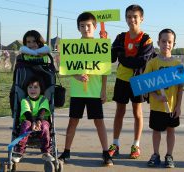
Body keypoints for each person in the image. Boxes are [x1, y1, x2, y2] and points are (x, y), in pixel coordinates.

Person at [58, 12, 113, 166]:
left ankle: (105, 153)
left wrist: (103, 90)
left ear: (95, 27)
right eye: (82, 26)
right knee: (73, 121)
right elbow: (67, 68)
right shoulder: (73, 47)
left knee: (99, 122)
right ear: (78, 28)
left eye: (88, 25)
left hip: (94, 92)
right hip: (77, 92)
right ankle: (66, 151)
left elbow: (104, 71)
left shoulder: (101, 45)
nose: (85, 28)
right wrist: (76, 76)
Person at [108, 4, 156, 159]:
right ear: (125, 18)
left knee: (137, 112)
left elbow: (141, 61)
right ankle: (115, 143)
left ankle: (136, 145)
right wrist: (104, 45)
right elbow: (111, 58)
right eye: (129, 16)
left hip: (138, 80)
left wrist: (123, 57)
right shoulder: (120, 37)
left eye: (135, 16)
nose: (132, 19)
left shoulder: (147, 39)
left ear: (141, 18)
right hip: (122, 79)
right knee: (119, 112)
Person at [144, 29, 183, 168]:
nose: (166, 44)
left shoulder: (177, 65)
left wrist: (178, 106)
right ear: (158, 43)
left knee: (171, 130)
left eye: (170, 42)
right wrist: (156, 96)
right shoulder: (152, 63)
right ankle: (155, 154)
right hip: (156, 106)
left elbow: (180, 87)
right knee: (156, 131)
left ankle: (169, 155)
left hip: (172, 106)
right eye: (164, 41)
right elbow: (146, 85)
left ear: (174, 44)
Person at [11, 77, 53, 163]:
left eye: (35, 87)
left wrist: (38, 121)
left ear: (41, 89)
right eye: (30, 87)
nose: (32, 89)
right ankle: (19, 151)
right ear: (26, 89)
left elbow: (42, 111)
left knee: (45, 125)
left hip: (40, 122)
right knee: (26, 124)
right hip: (28, 122)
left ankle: (46, 152)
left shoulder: (43, 100)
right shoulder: (24, 100)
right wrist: (33, 122)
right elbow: (27, 113)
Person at [9, 30, 51, 113]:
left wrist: (36, 54)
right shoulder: (22, 57)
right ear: (25, 43)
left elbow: (47, 49)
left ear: (39, 42)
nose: (31, 44)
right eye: (28, 42)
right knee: (14, 93)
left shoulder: (45, 56)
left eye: (34, 41)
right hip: (25, 88)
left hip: (42, 89)